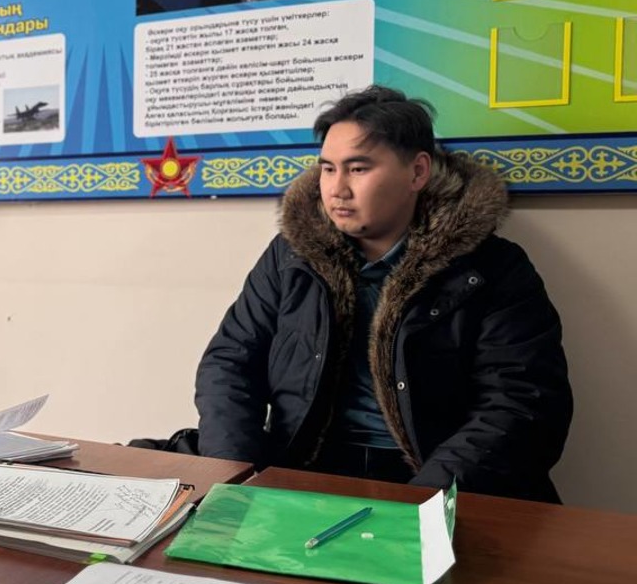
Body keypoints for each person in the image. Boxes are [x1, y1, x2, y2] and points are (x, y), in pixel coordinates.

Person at [194, 86, 571, 501]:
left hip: (434, 476)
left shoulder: (491, 268)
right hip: (304, 467)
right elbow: (229, 362)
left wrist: (424, 501)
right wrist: (236, 474)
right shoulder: (291, 256)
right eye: (328, 169)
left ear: (417, 173)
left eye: (357, 169)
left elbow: (520, 401)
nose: (337, 189)